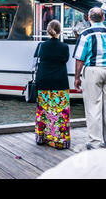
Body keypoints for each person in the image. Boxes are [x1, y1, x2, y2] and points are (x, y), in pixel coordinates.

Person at [73, 7, 106, 150]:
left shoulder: (85, 34)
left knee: (93, 107)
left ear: (89, 18)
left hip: (93, 70)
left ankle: (94, 142)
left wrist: (77, 77)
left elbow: (79, 59)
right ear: (103, 18)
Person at [34, 20, 71, 149]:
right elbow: (64, 60)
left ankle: (42, 137)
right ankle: (59, 139)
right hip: (59, 81)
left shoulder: (42, 46)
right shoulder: (64, 47)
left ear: (48, 31)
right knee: (60, 112)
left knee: (43, 110)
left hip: (44, 80)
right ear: (60, 31)